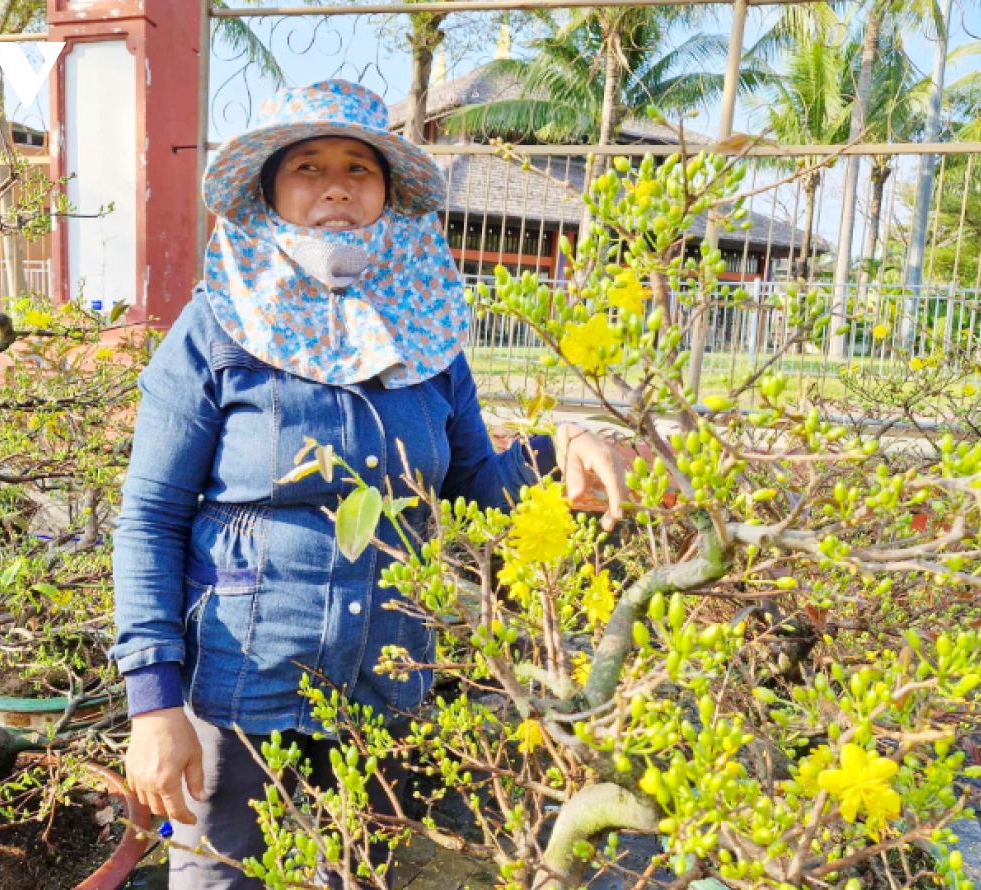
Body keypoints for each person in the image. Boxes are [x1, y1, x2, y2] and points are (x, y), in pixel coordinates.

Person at [111, 80, 626, 889]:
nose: (336, 188)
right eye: (308, 168)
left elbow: (468, 492)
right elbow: (149, 517)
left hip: (387, 690)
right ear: (270, 192)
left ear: (387, 195)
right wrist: (153, 704)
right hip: (245, 686)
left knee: (364, 873)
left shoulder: (427, 335)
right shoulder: (217, 326)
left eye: (360, 168)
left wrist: (563, 445)